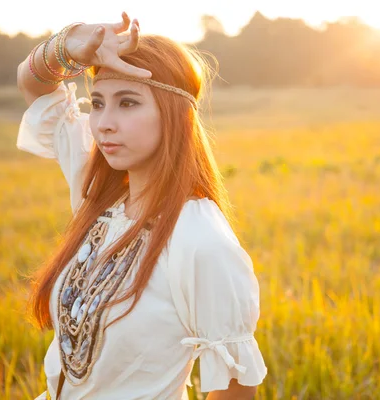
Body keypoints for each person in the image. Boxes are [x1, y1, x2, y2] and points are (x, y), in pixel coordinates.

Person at [16, 12, 268, 400]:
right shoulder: (98, 190)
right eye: (97, 103)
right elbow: (35, 82)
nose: (103, 124)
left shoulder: (200, 240)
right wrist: (74, 42)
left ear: (174, 116)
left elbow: (235, 388)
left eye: (128, 103)